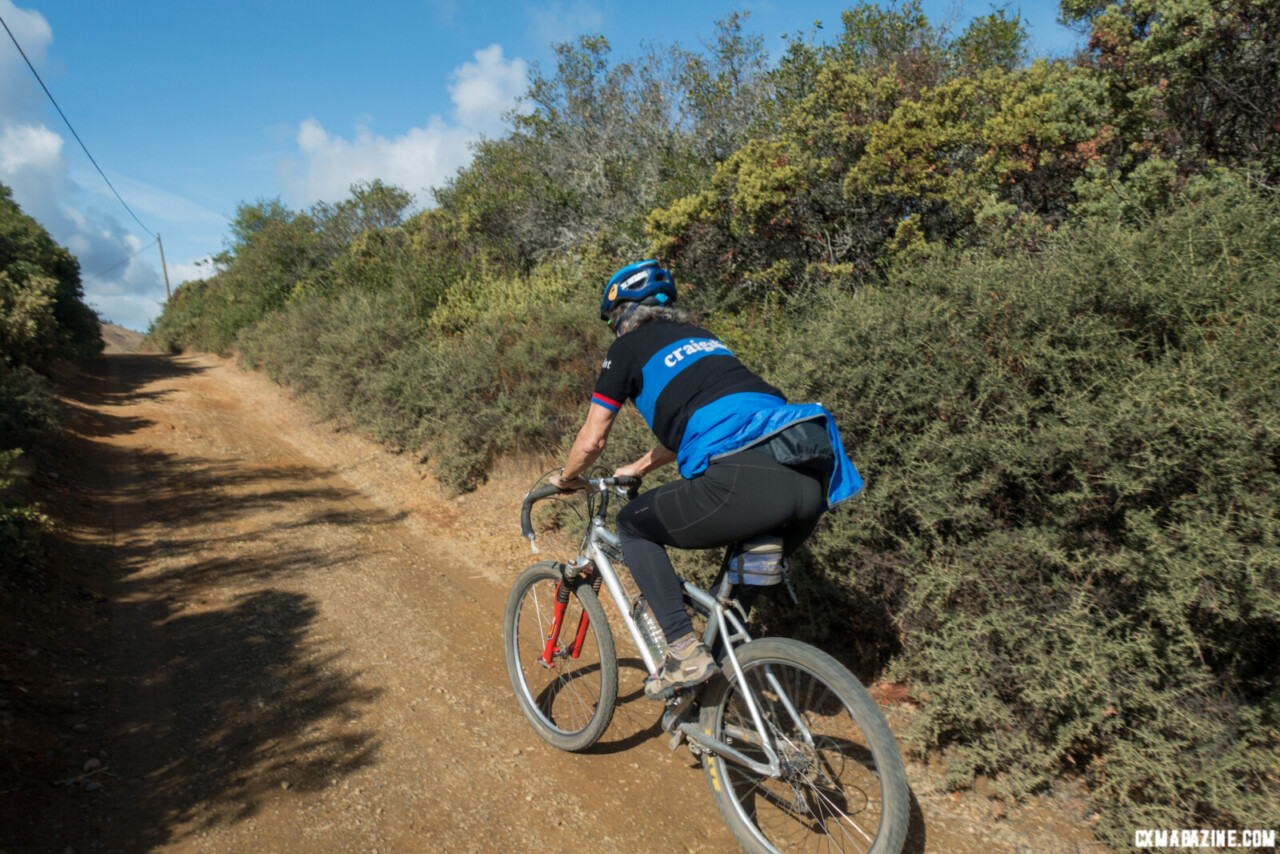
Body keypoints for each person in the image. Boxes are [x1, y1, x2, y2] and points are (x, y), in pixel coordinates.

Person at [550, 260, 863, 700]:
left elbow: (592, 441)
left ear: (622, 317)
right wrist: (639, 468)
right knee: (728, 606)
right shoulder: (706, 342)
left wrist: (565, 479)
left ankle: (681, 648)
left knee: (633, 525)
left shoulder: (626, 348)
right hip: (808, 482)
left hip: (745, 482)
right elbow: (710, 419)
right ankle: (710, 705)